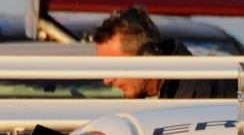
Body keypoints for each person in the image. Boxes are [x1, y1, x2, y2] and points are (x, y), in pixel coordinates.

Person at [94, 6, 236, 98]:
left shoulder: (196, 96)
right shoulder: (145, 98)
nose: (107, 80)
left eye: (114, 67)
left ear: (147, 57)